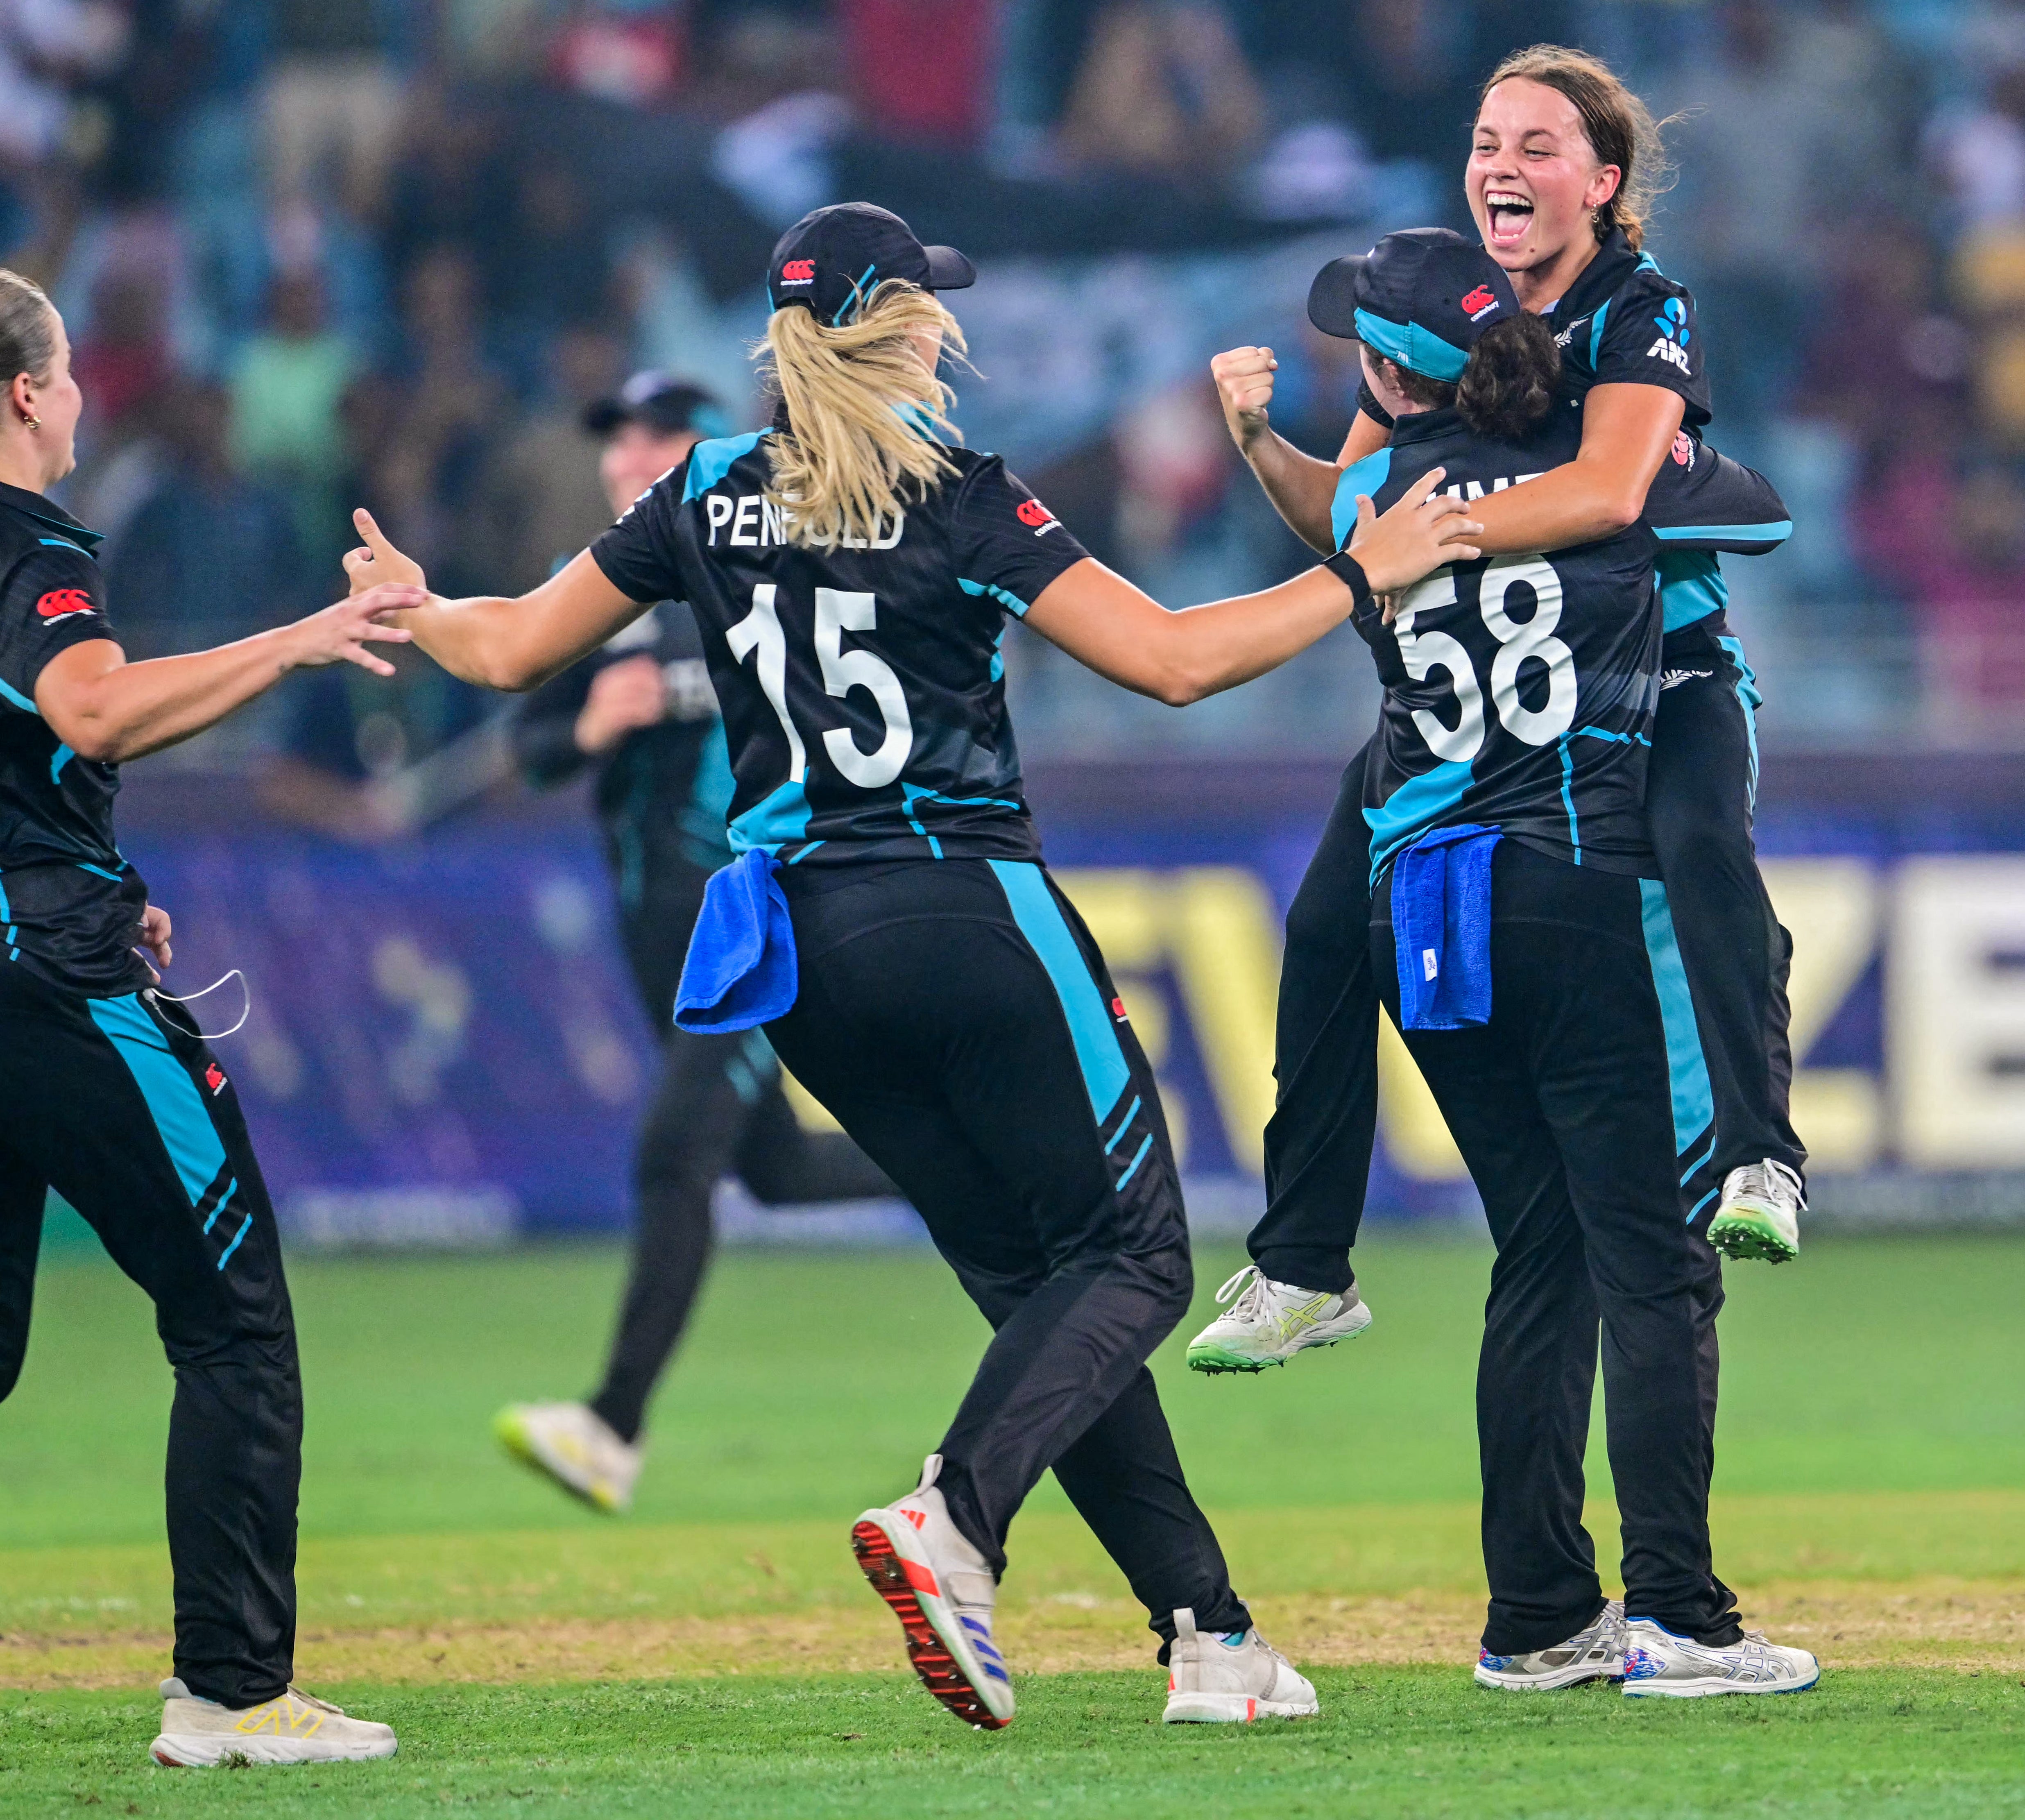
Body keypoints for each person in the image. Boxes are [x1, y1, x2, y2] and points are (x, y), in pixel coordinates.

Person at [342, 202, 1482, 1730]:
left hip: (801, 956)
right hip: (963, 908)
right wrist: (1365, 569)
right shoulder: (959, 492)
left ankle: (1207, 1632)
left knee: (1040, 1288)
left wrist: (414, 611)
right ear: (901, 324)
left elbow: (503, 652)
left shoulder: (705, 490)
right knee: (1136, 1255)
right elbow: (1171, 662)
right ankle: (955, 1521)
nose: (950, 322)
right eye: (930, 304)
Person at [1196, 44, 1806, 1376]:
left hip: (1662, 671)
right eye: (1486, 142)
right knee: (1319, 927)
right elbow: (1351, 521)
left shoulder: (1641, 306)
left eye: (1535, 146)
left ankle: (1760, 1156)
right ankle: (1303, 1261)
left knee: (1703, 847)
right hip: (1474, 703)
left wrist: (1439, 531)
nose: (1500, 167)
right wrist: (1255, 440)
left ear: (1601, 181)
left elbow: (1604, 491)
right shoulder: (1434, 317)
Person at [1311, 227, 1820, 1698]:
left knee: (1536, 1255)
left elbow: (1321, 512)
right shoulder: (1612, 495)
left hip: (1433, 920)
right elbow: (1757, 515)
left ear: (1391, 378)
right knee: (1650, 1260)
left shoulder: (1369, 501)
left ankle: (1535, 1613)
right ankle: (1678, 1613)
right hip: (1577, 884)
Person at [0, 266, 417, 1768]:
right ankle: (230, 1694)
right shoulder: (28, 544)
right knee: (233, 1320)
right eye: (72, 372)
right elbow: (89, 708)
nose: (86, 397)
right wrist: (298, 639)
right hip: (50, 974)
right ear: (30, 393)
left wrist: (83, 865)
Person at [492, 372, 902, 1515]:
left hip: (754, 931)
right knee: (771, 1169)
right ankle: (985, 1166)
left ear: (706, 452)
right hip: (659, 950)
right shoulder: (606, 593)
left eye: (656, 436)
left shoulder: (746, 571)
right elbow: (529, 746)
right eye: (619, 438)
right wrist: (587, 722)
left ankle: (609, 1427)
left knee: (674, 1156)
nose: (630, 455)